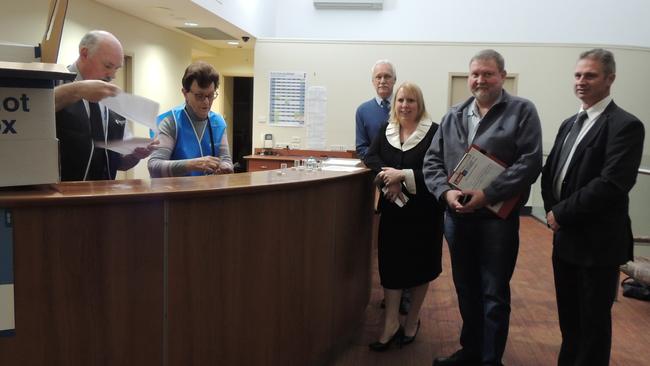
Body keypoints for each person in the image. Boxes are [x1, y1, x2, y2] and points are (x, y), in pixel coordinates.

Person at [423, 49, 542, 366]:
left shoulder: (522, 112)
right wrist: (445, 195)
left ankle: (491, 360)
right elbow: (432, 163)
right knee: (465, 288)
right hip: (457, 217)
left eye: (488, 73)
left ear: (502, 75)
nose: (480, 79)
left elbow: (529, 163)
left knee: (493, 293)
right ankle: (471, 351)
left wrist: (487, 194)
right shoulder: (453, 115)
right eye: (475, 73)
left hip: (496, 221)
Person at [541, 49, 644, 366]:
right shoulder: (569, 123)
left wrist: (561, 213)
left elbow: (611, 184)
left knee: (593, 327)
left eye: (590, 75)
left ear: (610, 79)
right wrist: (551, 210)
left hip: (597, 245)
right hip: (566, 240)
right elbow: (551, 174)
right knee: (570, 323)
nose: (581, 82)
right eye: (577, 75)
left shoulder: (625, 125)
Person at [364, 82, 444, 351]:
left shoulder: (434, 132)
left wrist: (405, 176)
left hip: (424, 213)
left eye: (411, 100)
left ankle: (412, 320)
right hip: (393, 212)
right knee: (391, 266)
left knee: (420, 267)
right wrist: (388, 178)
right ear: (394, 103)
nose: (405, 105)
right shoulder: (385, 130)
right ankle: (390, 323)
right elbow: (371, 156)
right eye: (400, 100)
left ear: (419, 104)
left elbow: (440, 172)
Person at [55, 30, 155, 181]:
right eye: (108, 66)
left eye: (116, 68)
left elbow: (119, 163)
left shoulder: (114, 101)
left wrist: (135, 155)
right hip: (61, 197)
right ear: (84, 53)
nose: (112, 75)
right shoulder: (55, 85)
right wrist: (79, 90)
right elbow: (36, 113)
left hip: (103, 197)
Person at [148, 61, 233, 177]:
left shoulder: (218, 122)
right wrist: (191, 165)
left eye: (211, 95)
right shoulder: (170, 122)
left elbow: (226, 159)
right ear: (185, 93)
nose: (206, 102)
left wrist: (225, 167)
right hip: (176, 193)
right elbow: (154, 166)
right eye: (199, 96)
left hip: (208, 191)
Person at [355, 59, 396, 160]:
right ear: (373, 81)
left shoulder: (405, 108)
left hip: (401, 170)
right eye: (378, 77)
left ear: (394, 79)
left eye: (387, 76)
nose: (382, 81)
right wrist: (380, 166)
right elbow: (361, 148)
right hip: (374, 170)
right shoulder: (362, 111)